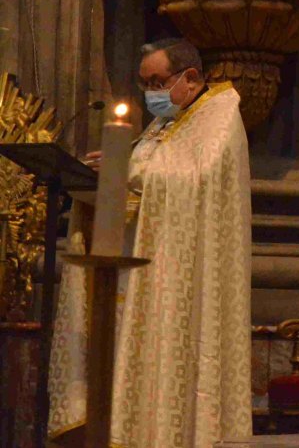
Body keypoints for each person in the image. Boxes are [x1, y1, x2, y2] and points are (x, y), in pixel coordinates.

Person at [49, 38, 252, 448]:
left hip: (182, 280)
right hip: (140, 270)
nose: (151, 94)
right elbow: (152, 169)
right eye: (145, 84)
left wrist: (130, 169)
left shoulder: (220, 114)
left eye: (158, 82)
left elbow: (195, 179)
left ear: (190, 77)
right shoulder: (165, 121)